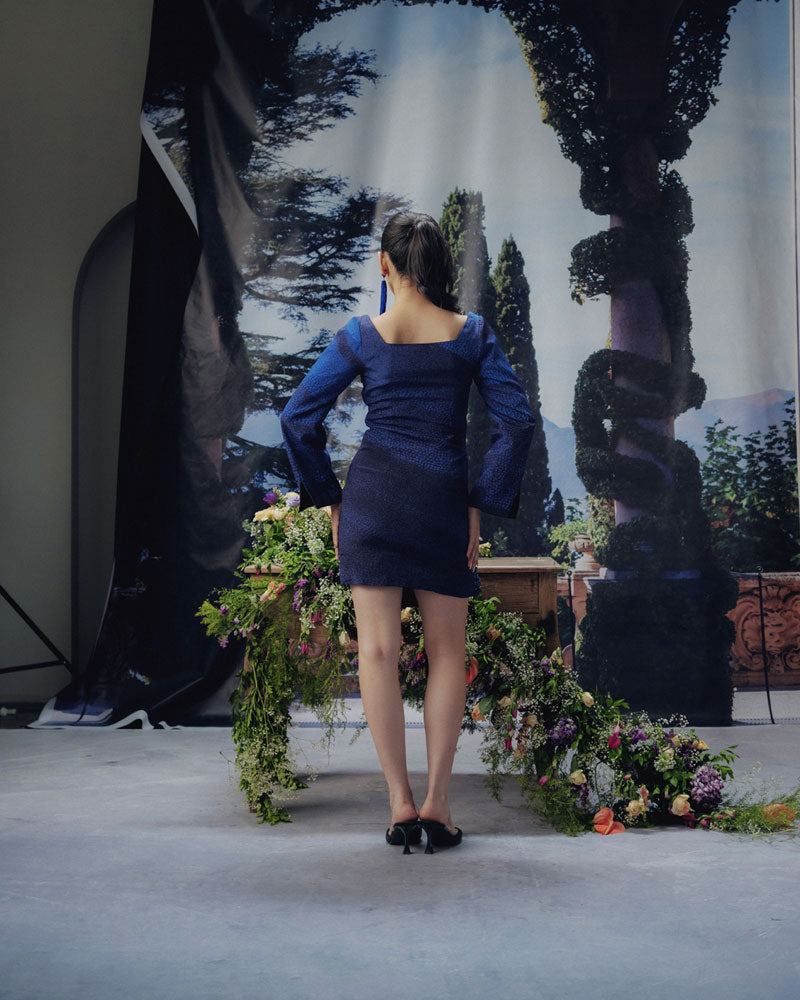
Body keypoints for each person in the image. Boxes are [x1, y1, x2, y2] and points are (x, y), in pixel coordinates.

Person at [279, 211, 536, 854]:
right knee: (448, 653)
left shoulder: (362, 335)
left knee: (376, 653)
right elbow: (517, 423)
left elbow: (297, 419)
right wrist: (479, 501)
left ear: (385, 265)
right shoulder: (471, 335)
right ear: (440, 266)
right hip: (440, 503)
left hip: (372, 503)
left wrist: (330, 500)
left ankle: (399, 805)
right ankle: (437, 807)